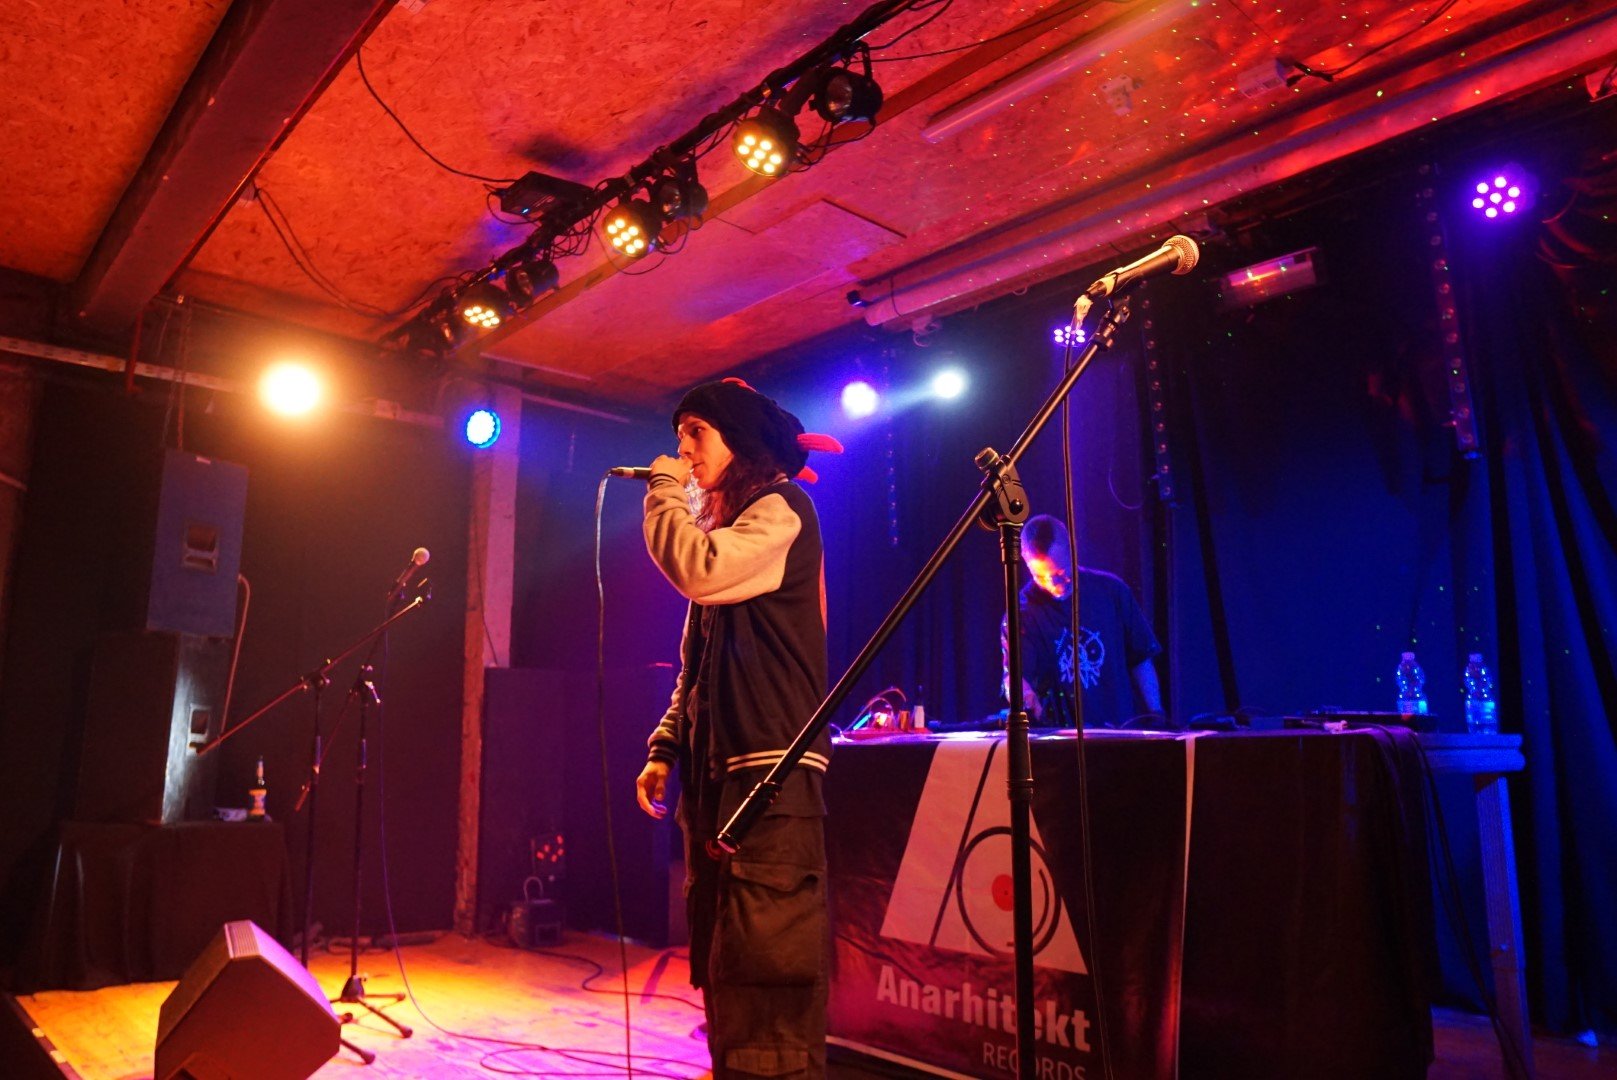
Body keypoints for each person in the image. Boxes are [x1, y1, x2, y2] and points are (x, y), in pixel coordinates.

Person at [633, 377, 841, 1079]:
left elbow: (696, 568)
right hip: (722, 778)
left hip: (772, 780)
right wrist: (666, 747)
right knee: (727, 963)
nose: (683, 450)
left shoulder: (781, 510)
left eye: (696, 433)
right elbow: (695, 670)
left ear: (739, 440)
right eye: (678, 437)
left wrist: (663, 491)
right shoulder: (732, 535)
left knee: (766, 969)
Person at [1001, 514, 1164, 728]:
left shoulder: (1112, 592)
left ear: (1072, 549)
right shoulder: (1021, 612)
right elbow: (1015, 678)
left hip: (1120, 731)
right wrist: (1025, 698)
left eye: (1061, 572)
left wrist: (1156, 713)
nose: (1054, 584)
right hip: (1059, 737)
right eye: (1041, 577)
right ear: (1025, 562)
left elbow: (1141, 658)